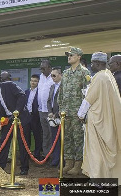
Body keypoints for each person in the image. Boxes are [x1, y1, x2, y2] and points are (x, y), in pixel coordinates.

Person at [78, 52, 121, 184]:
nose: (91, 65)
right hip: (107, 120)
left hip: (98, 122)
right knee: (106, 153)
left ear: (98, 63)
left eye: (92, 63)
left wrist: (80, 114)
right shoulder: (108, 76)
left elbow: (89, 99)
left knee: (97, 152)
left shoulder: (99, 77)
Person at [0, 74, 31, 175]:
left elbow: (22, 96)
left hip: (21, 118)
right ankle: (1, 167)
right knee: (4, 142)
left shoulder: (9, 85)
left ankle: (24, 168)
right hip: (8, 121)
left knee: (23, 144)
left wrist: (17, 111)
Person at [58, 47, 91, 175]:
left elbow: (87, 94)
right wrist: (61, 109)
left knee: (78, 139)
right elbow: (61, 93)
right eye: (68, 55)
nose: (69, 57)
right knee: (67, 138)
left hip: (78, 113)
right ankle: (69, 162)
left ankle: (78, 164)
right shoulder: (65, 73)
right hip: (65, 113)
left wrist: (83, 113)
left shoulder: (84, 72)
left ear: (79, 57)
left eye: (72, 55)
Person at [37, 59, 54, 159]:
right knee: (45, 134)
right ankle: (46, 154)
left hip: (50, 111)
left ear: (49, 68)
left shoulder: (53, 77)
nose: (42, 70)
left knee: (52, 133)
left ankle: (54, 155)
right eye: (41, 69)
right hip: (41, 110)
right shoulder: (41, 77)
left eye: (43, 68)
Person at [47, 68, 62, 167]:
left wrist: (56, 114)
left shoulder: (64, 86)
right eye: (51, 75)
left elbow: (63, 102)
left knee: (61, 139)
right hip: (52, 117)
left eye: (54, 75)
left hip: (61, 116)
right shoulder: (52, 86)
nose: (52, 77)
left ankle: (62, 161)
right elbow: (49, 101)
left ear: (60, 75)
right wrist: (50, 112)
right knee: (54, 139)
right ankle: (55, 159)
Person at [25, 74, 42, 161]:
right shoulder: (26, 92)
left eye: (35, 81)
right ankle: (27, 154)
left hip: (36, 117)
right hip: (27, 116)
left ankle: (37, 154)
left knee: (37, 136)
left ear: (38, 82)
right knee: (26, 136)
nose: (33, 82)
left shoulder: (40, 92)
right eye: (32, 81)